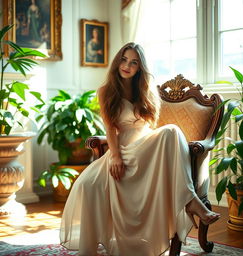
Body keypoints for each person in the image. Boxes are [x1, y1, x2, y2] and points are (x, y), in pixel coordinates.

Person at [60, 42, 220, 256]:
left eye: (134, 62)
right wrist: (115, 156)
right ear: (118, 61)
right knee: (89, 185)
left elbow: (149, 127)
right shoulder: (106, 91)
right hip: (123, 151)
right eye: (124, 59)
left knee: (171, 131)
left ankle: (190, 199)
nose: (127, 65)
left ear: (139, 68)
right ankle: (191, 201)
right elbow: (110, 129)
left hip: (145, 150)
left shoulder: (146, 91)